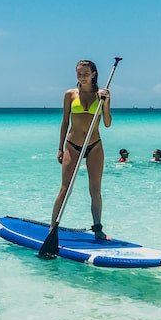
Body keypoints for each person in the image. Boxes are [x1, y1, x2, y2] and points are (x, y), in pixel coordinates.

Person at [50, 59, 112, 242]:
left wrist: (106, 102)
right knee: (65, 188)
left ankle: (98, 229)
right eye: (79, 73)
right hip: (72, 145)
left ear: (94, 74)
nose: (82, 77)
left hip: (95, 146)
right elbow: (64, 122)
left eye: (86, 73)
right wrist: (60, 147)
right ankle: (52, 227)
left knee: (95, 190)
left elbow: (107, 123)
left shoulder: (102, 95)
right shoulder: (70, 94)